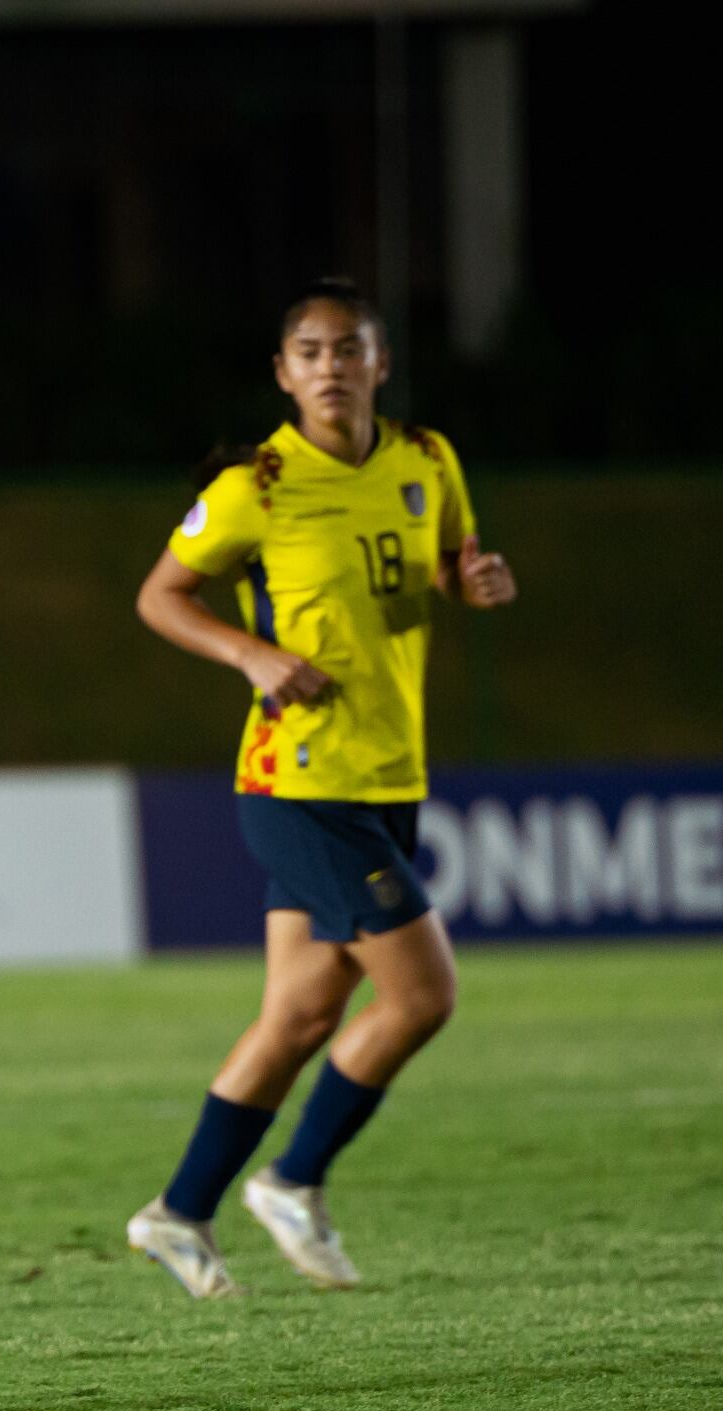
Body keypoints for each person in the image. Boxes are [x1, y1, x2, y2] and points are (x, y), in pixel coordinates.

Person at [125, 278, 518, 1298]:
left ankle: (176, 1212)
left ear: (379, 362)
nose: (330, 366)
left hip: (391, 770)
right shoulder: (256, 483)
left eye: (348, 348)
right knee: (423, 992)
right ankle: (292, 1179)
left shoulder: (426, 460)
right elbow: (160, 596)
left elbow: (436, 565)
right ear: (283, 372)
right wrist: (251, 657)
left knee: (300, 1015)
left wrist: (469, 582)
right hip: (297, 780)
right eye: (309, 350)